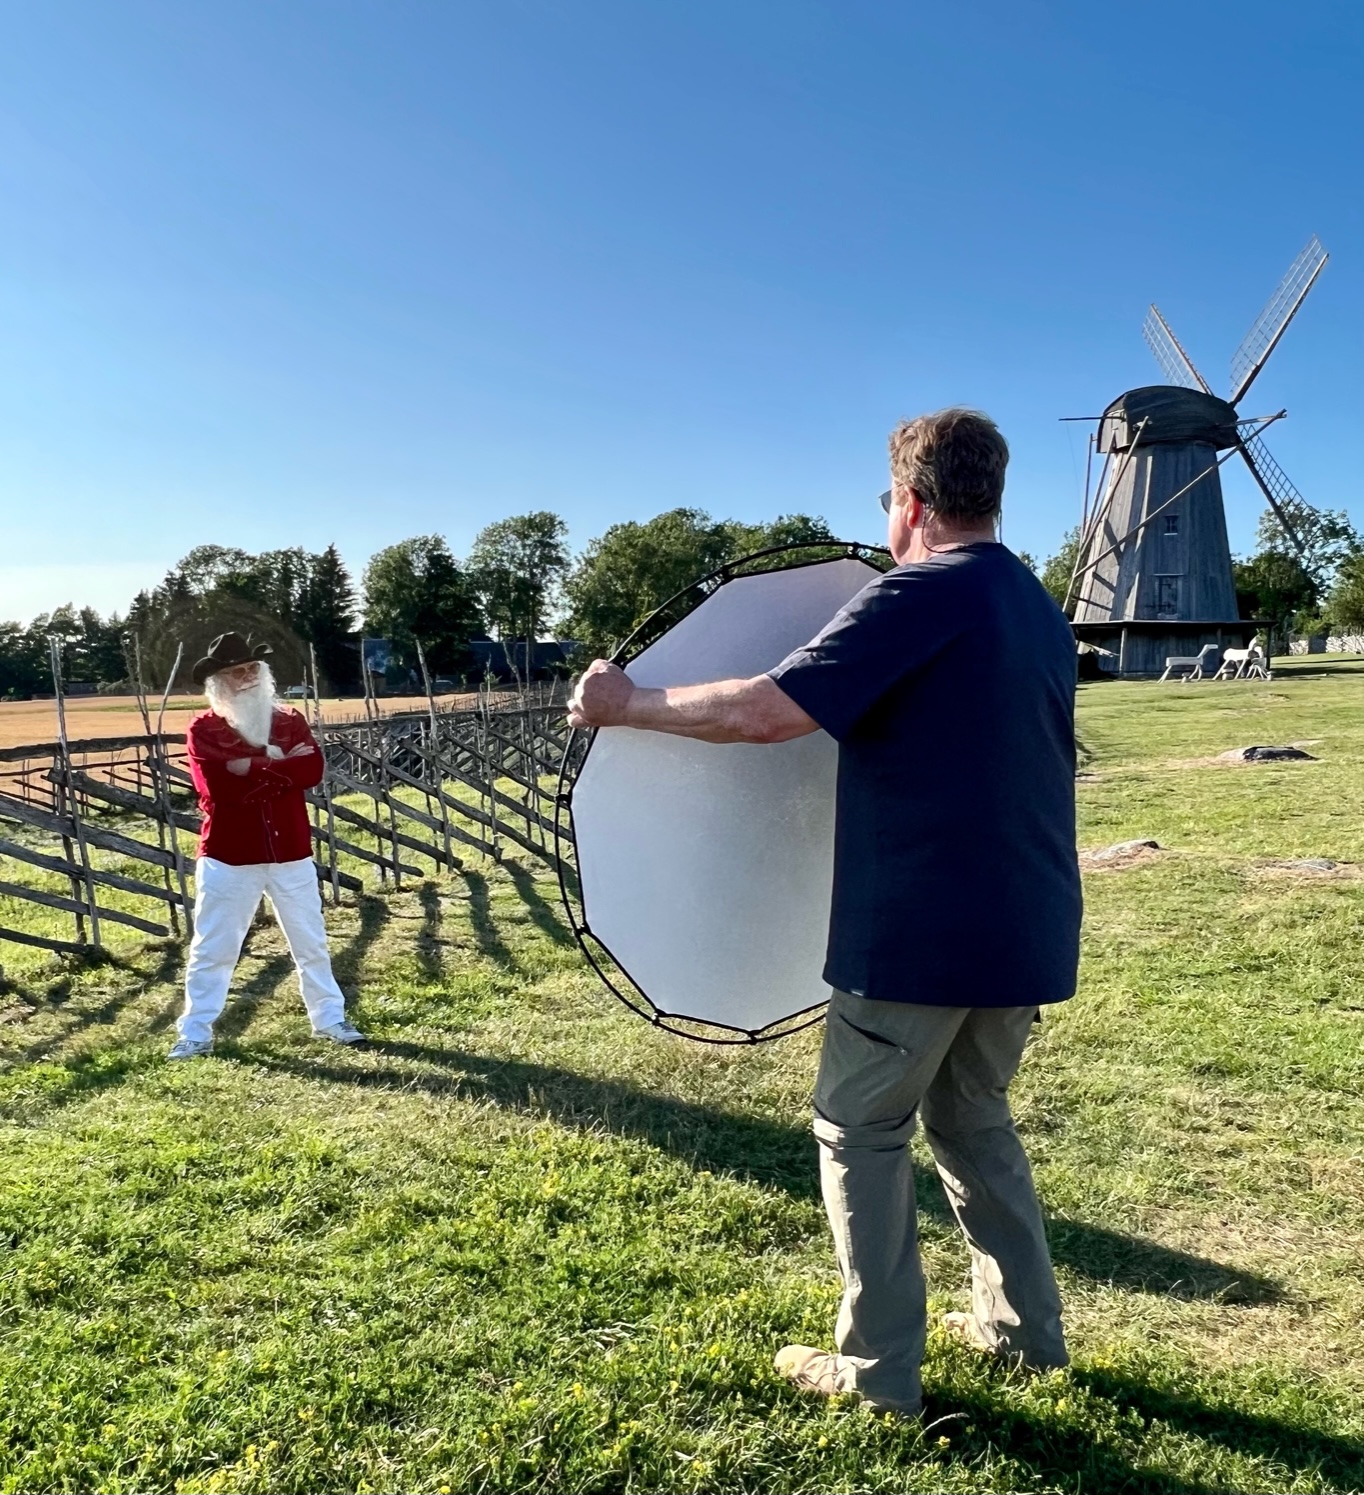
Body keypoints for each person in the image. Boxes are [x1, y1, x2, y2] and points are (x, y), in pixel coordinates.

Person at [568, 409, 1080, 1416]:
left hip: (917, 937)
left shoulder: (918, 592)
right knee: (973, 1122)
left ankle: (877, 1370)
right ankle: (1027, 1337)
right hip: (1021, 925)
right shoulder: (1030, 601)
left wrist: (626, 705)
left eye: (890, 503)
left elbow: (765, 711)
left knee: (858, 1130)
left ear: (913, 505)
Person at [168, 631, 365, 1060]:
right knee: (214, 947)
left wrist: (251, 766)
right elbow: (218, 788)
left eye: (253, 668)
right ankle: (196, 1032)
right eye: (237, 672)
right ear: (218, 683)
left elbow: (311, 769)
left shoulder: (290, 720)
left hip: (290, 850)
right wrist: (277, 761)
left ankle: (330, 1019)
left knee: (310, 941)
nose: (248, 677)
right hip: (230, 853)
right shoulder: (205, 730)